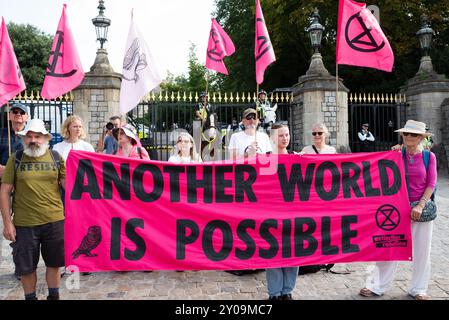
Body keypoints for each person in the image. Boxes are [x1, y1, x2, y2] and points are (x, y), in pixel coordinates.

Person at [360, 120, 437, 300]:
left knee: (422, 250)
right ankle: (377, 286)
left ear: (421, 138)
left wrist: (420, 205)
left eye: (414, 134)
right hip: (395, 209)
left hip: (420, 208)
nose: (409, 137)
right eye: (407, 133)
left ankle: (418, 288)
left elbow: (431, 183)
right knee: (389, 247)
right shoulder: (394, 155)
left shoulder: (428, 157)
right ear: (402, 135)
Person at [0, 119, 66, 300]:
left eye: (37, 136)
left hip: (54, 220)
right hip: (24, 223)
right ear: (24, 138)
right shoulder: (16, 158)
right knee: (26, 267)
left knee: (54, 264)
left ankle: (54, 297)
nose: (33, 140)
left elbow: (70, 187)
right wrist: (7, 223)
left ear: (45, 138)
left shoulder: (56, 158)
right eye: (29, 136)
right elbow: (4, 192)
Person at [226, 108, 271, 276]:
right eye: (248, 118)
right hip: (241, 184)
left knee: (259, 222)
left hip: (260, 185)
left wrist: (259, 156)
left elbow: (270, 160)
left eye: (254, 117)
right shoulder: (236, 137)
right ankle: (241, 261)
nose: (251, 120)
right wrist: (246, 154)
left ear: (258, 120)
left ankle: (257, 259)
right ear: (243, 121)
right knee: (241, 222)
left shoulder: (264, 137)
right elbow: (231, 161)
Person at [265, 122, 298, 300]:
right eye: (281, 135)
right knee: (273, 252)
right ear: (273, 138)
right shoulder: (265, 158)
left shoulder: (297, 157)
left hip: (293, 214)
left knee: (293, 251)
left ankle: (287, 290)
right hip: (271, 213)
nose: (285, 138)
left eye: (287, 135)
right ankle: (275, 292)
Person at [0, 103, 29, 180]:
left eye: (22, 112)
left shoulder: (31, 135)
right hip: (2, 179)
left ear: (27, 117)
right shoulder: (1, 133)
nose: (18, 114)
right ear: (9, 116)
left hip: (25, 178)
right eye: (15, 112)